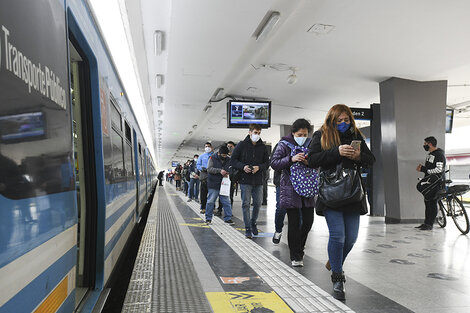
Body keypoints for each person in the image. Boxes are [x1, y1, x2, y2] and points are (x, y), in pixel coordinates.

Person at [308, 104, 375, 299]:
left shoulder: (355, 135)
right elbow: (312, 160)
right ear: (332, 119)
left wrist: (358, 156)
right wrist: (336, 152)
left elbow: (371, 159)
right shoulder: (321, 134)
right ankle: (338, 277)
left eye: (347, 120)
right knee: (338, 236)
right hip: (331, 193)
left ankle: (334, 261)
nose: (344, 123)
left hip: (353, 193)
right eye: (340, 120)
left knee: (352, 238)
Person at [271, 119, 316, 267]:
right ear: (293, 133)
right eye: (299, 134)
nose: (302, 137)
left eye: (305, 134)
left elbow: (318, 162)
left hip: (308, 188)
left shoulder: (311, 144)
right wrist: (291, 159)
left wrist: (309, 162)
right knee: (294, 223)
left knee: (308, 222)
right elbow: (274, 163)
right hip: (290, 190)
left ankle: (300, 248)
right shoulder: (283, 144)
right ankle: (295, 255)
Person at [231, 124, 270, 238]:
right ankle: (247, 227)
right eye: (255, 133)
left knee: (258, 203)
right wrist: (243, 167)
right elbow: (233, 160)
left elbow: (267, 163)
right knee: (245, 204)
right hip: (245, 179)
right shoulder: (242, 145)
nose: (256, 135)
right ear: (250, 132)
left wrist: (259, 167)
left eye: (258, 133)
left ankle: (253, 222)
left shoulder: (262, 147)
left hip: (258, 180)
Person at [415, 136, 446, 230]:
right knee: (427, 202)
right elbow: (430, 169)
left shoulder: (439, 155)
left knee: (432, 202)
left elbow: (438, 170)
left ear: (430, 144)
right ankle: (426, 222)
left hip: (436, 183)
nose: (424, 145)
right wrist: (423, 169)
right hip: (429, 182)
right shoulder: (430, 154)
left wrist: (424, 169)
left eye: (425, 144)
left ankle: (430, 224)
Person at [205, 145, 234, 224]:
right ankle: (208, 218)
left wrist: (229, 172)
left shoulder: (228, 159)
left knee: (226, 202)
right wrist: (219, 171)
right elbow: (209, 169)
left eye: (226, 155)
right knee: (211, 201)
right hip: (213, 183)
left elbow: (231, 168)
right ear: (219, 153)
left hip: (224, 184)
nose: (224, 157)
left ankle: (228, 218)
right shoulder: (212, 158)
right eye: (223, 155)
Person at [197, 142, 214, 213]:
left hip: (212, 176)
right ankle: (203, 207)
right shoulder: (201, 156)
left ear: (211, 147)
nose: (207, 148)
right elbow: (198, 165)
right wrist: (201, 168)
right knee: (203, 194)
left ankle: (211, 207)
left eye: (208, 146)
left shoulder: (214, 156)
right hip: (203, 176)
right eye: (206, 146)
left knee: (212, 193)